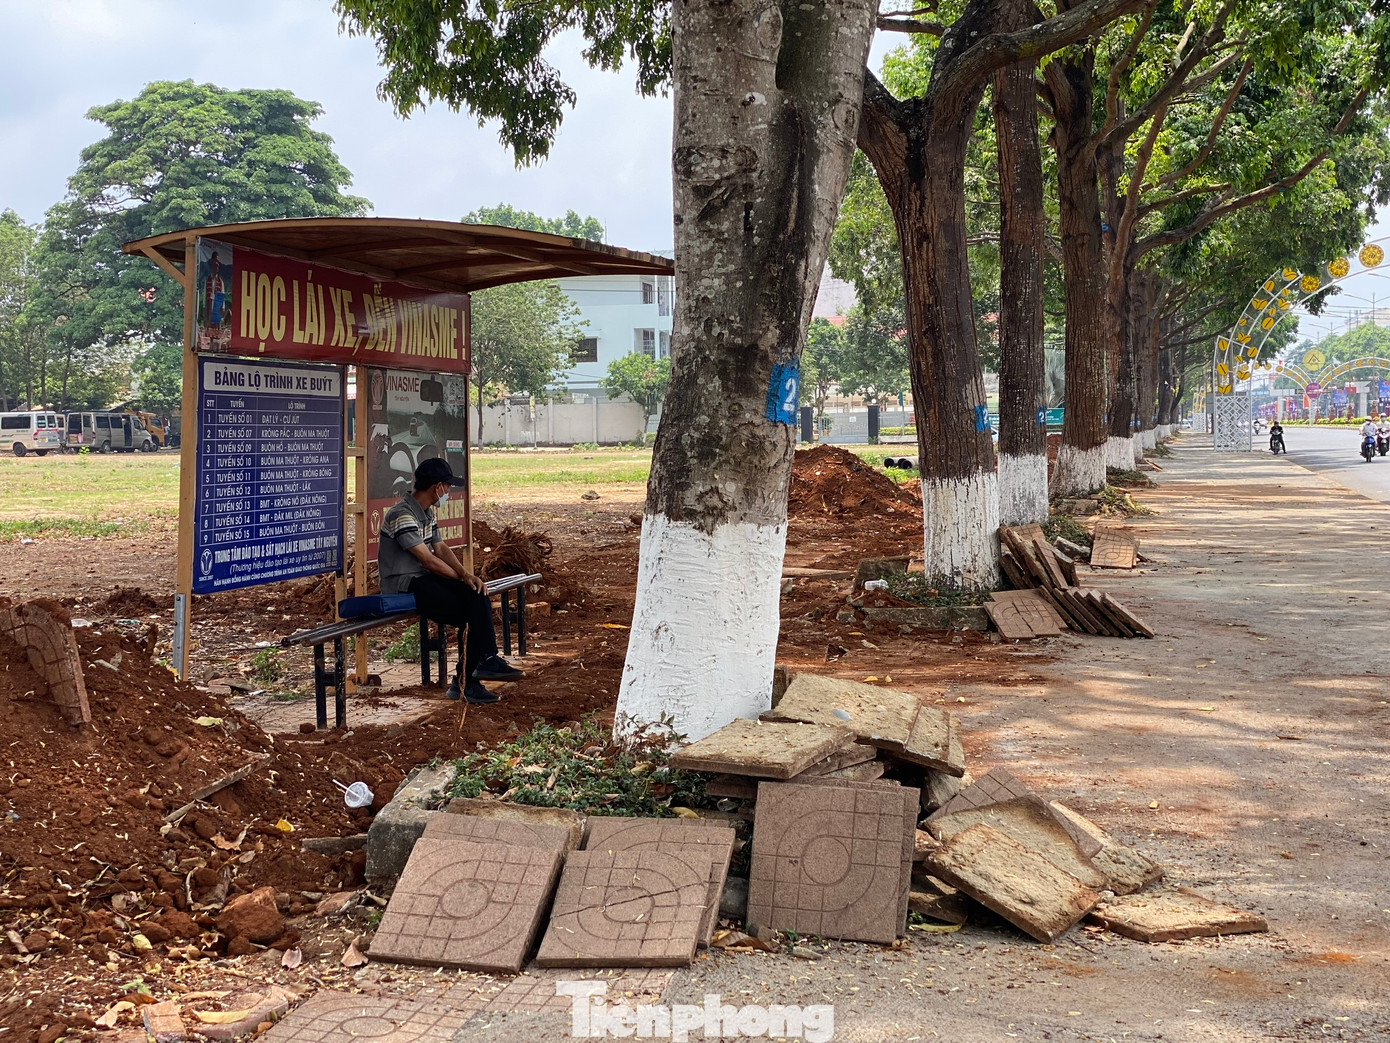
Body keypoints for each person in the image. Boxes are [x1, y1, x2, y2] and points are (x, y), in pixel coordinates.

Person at [378, 458, 523, 703]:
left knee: (476, 596)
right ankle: (469, 680)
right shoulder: (401, 514)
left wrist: (467, 576)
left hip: (423, 579)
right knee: (472, 612)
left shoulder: (426, 512)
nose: (448, 492)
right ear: (437, 487)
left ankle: (481, 665)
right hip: (402, 584)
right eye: (447, 486)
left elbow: (441, 548)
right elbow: (428, 560)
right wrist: (461, 577)